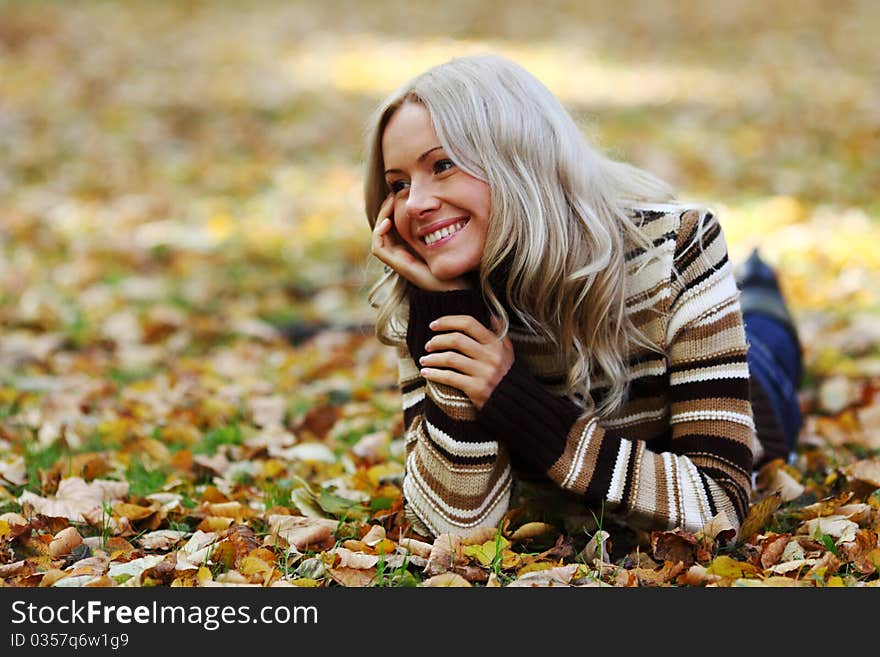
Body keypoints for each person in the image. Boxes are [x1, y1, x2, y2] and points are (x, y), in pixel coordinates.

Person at [363, 54, 803, 540]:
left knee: (767, 325)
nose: (416, 203)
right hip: (625, 456)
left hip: (751, 389)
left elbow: (719, 506)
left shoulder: (678, 246)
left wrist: (514, 398)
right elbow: (452, 525)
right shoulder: (427, 287)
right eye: (398, 185)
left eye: (442, 165)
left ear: (516, 159)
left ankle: (759, 278)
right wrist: (449, 309)